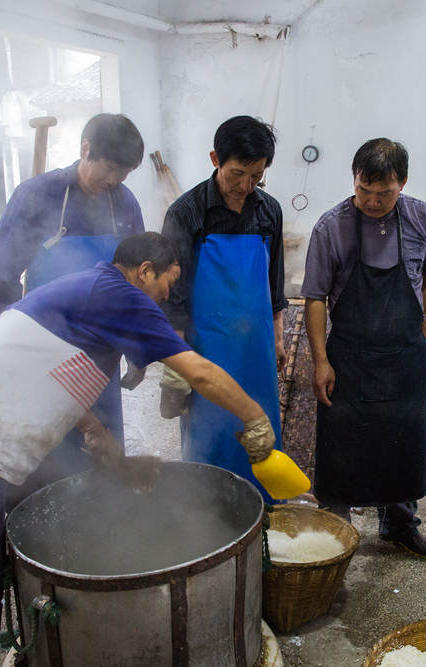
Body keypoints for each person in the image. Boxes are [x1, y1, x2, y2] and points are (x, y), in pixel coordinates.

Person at [0, 232, 276, 666]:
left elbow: (56, 375)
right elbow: (199, 373)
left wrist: (105, 444)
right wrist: (256, 418)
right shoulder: (122, 296)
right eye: (168, 282)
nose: (168, 295)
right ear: (145, 271)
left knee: (1, 559)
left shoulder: (90, 288)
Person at [0, 113, 146, 501]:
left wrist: (138, 348)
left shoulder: (124, 203)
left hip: (102, 356)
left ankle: (108, 518)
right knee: (50, 454)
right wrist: (12, 342)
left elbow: (139, 279)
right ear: (85, 150)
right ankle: (47, 522)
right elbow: (1, 276)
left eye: (123, 174)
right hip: (45, 351)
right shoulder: (37, 196)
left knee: (103, 449)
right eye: (109, 169)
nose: (114, 181)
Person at [301, 138, 426, 557]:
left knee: (402, 441)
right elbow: (315, 297)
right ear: (355, 180)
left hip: (405, 354)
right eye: (364, 190)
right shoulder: (331, 227)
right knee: (341, 444)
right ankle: (335, 530)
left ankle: (399, 524)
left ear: (403, 183)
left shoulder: (422, 218)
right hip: (349, 356)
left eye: (384, 193)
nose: (371, 201)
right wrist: (321, 361)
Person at [158, 115, 287, 500]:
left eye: (257, 176)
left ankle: (263, 513)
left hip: (255, 351)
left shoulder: (269, 211)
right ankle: (206, 515)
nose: (245, 187)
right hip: (206, 351)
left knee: (259, 435)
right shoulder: (186, 213)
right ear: (216, 159)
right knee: (209, 440)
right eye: (237, 174)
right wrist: (176, 366)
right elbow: (173, 296)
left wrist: (278, 338)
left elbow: (274, 284)